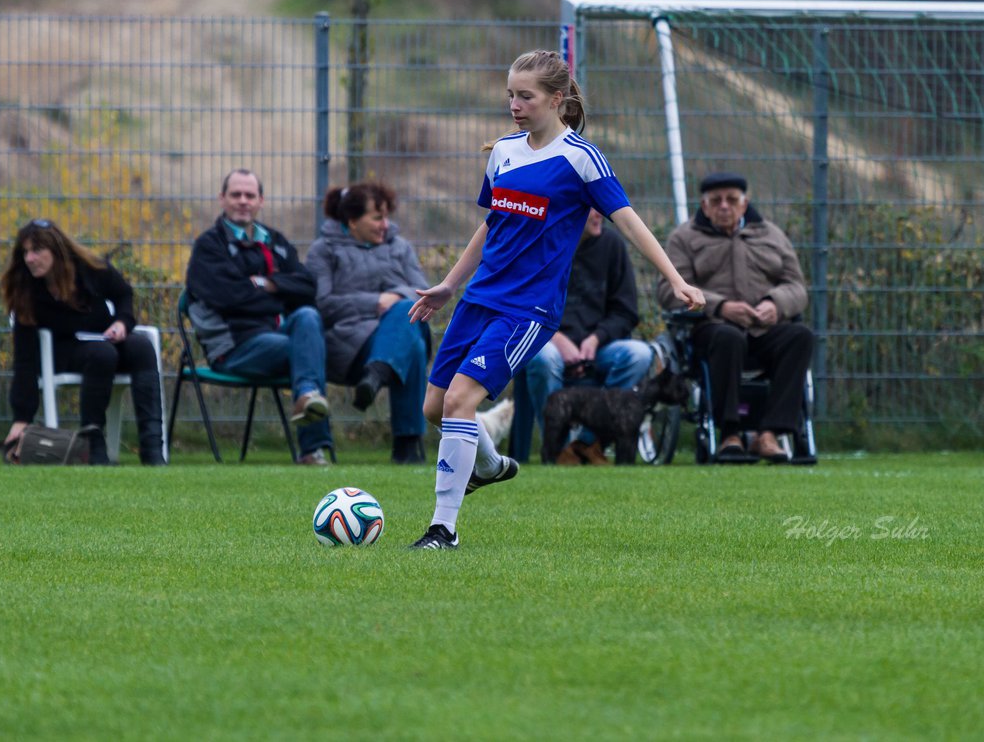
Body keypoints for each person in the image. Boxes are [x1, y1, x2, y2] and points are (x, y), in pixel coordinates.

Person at [407, 48, 704, 549]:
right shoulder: (503, 151)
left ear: (557, 99)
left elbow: (627, 219)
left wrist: (675, 278)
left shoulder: (579, 157)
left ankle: (443, 529)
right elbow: (491, 225)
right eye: (510, 95)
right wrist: (450, 284)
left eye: (526, 97)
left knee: (459, 401)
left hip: (528, 309)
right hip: (480, 298)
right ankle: (492, 464)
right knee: (434, 408)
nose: (515, 105)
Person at [658, 172, 813, 463]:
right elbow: (669, 288)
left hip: (764, 328)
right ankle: (730, 432)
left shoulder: (772, 235)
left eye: (732, 200)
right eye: (716, 201)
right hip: (712, 330)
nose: (724, 206)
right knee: (727, 337)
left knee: (800, 337)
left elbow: (797, 287)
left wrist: (775, 304)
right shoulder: (684, 238)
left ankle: (770, 434)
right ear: (704, 206)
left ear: (745, 204)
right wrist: (719, 306)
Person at [185, 168, 333, 466]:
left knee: (306, 315)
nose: (243, 201)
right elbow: (230, 299)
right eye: (236, 194)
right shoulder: (208, 246)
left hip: (277, 338)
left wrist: (268, 284)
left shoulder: (274, 241)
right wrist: (279, 297)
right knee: (306, 347)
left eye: (249, 195)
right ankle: (311, 450)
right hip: (233, 348)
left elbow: (308, 287)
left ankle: (306, 395)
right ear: (222, 198)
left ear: (261, 200)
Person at [1, 219, 165, 465]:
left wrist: (122, 323)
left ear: (56, 251)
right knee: (101, 354)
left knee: (141, 346)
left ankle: (153, 449)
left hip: (105, 343)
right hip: (63, 354)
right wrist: (21, 417)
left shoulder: (91, 268)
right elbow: (24, 359)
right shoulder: (26, 291)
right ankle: (94, 445)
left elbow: (123, 294)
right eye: (25, 252)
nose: (29, 259)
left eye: (36, 251)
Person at [305, 181, 432, 465]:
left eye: (386, 216)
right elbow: (321, 304)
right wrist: (375, 303)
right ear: (352, 221)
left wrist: (395, 298)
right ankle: (407, 447)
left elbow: (424, 294)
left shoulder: (399, 247)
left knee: (407, 315)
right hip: (347, 349)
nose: (385, 224)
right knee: (413, 346)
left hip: (392, 338)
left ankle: (377, 373)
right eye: (377, 218)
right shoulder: (323, 251)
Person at [519, 207, 653, 464]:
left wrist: (596, 339)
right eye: (592, 208)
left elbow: (625, 312)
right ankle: (558, 448)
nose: (600, 214)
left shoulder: (612, 245)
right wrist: (555, 337)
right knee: (543, 359)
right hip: (549, 342)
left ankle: (590, 443)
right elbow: (521, 306)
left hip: (599, 349)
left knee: (639, 355)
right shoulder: (541, 245)